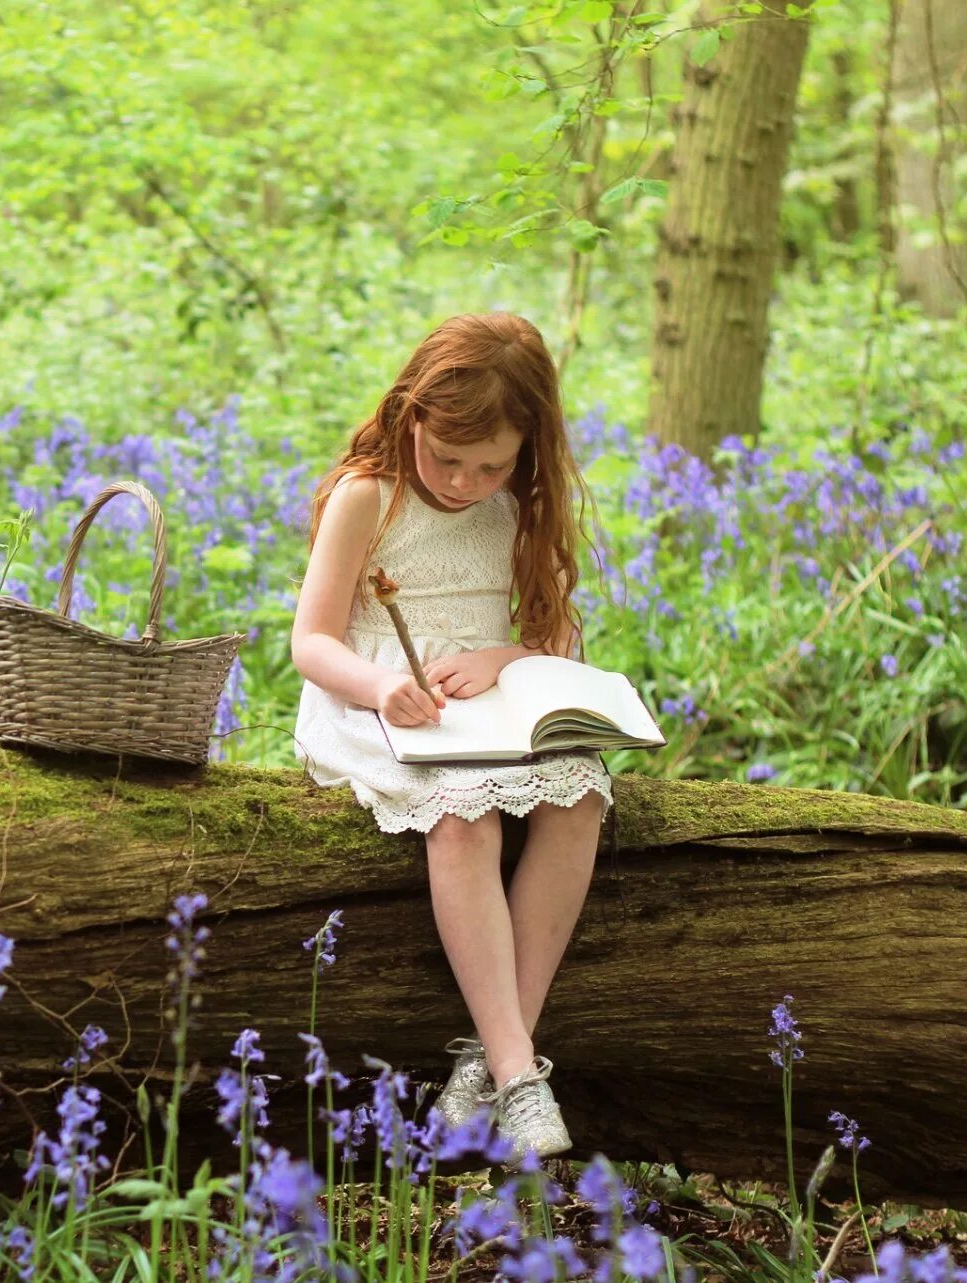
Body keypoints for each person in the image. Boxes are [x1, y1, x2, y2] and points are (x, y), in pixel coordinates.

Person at [289, 312, 610, 1160]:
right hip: (377, 703)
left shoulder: (520, 505)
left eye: (492, 464)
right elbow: (311, 642)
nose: (467, 481)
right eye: (447, 458)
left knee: (578, 800)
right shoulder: (369, 494)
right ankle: (518, 1072)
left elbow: (550, 639)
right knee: (465, 816)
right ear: (410, 414)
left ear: (526, 450)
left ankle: (496, 1054)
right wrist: (381, 685)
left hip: (487, 699)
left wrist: (503, 656)